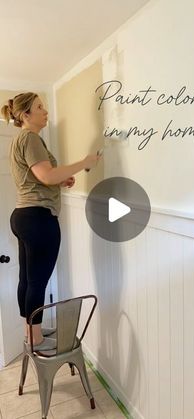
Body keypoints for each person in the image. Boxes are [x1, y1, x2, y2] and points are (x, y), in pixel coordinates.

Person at [1, 92, 101, 350]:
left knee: (27, 279)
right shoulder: (31, 138)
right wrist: (85, 162)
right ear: (26, 115)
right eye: (40, 107)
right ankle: (35, 339)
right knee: (37, 282)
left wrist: (60, 179)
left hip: (22, 215)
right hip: (37, 219)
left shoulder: (19, 140)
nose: (45, 111)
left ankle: (29, 332)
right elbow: (46, 175)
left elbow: (41, 177)